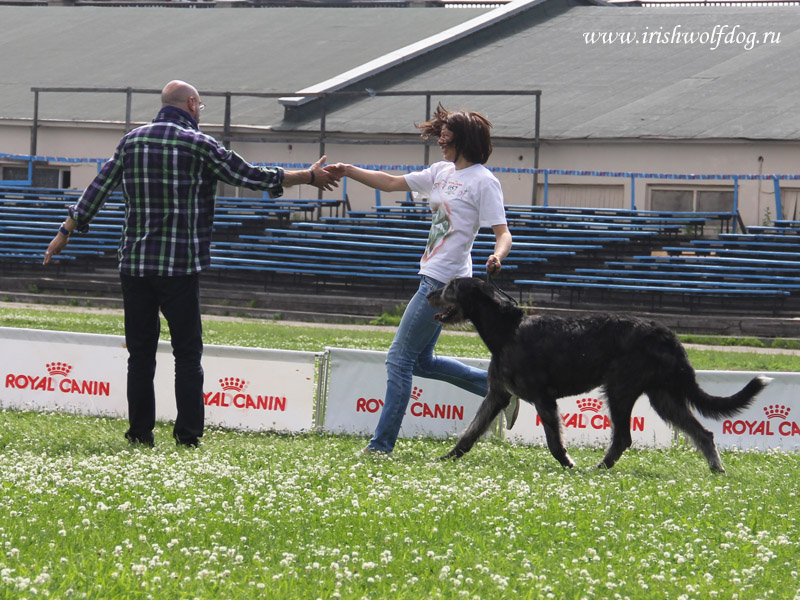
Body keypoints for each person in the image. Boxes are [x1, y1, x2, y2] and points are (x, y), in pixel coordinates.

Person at [43, 80, 339, 448]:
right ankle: (187, 436)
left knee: (140, 353)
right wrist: (308, 177)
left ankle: (139, 433)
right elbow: (251, 176)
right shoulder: (200, 144)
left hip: (134, 264)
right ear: (193, 104)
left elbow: (97, 190)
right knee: (186, 353)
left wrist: (65, 231)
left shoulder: (132, 141)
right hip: (179, 266)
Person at [326, 103, 514, 453]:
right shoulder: (441, 171)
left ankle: (379, 447)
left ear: (465, 141)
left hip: (444, 286)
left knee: (398, 360)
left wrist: (497, 255)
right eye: (441, 136)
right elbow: (394, 182)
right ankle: (502, 388)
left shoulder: (484, 182)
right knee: (421, 362)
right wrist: (349, 170)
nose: (441, 142)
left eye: (447, 138)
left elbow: (504, 233)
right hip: (432, 276)